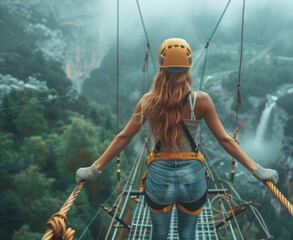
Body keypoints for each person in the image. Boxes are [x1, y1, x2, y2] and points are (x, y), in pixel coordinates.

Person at [76, 38, 278, 240]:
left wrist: (93, 169)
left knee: (159, 233)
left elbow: (124, 136)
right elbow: (225, 140)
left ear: (161, 68)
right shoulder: (201, 101)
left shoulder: (148, 101)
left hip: (159, 176)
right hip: (193, 175)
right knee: (188, 233)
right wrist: (257, 170)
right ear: (188, 68)